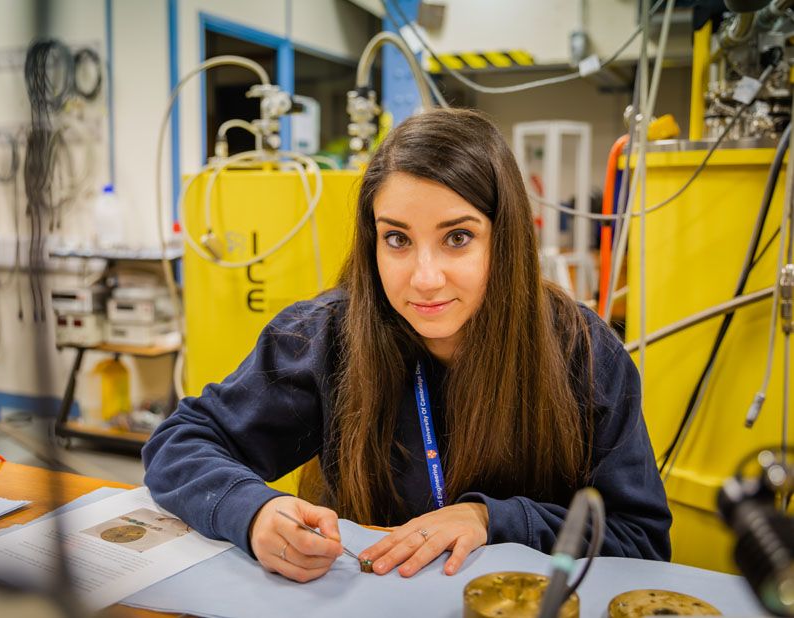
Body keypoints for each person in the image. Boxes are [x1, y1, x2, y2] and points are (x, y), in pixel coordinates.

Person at [143, 108, 671, 584]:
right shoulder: (324, 338)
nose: (424, 277)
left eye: (457, 237)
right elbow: (179, 442)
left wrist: (495, 520)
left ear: (505, 237)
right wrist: (252, 511)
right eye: (397, 238)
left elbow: (640, 542)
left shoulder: (585, 353)